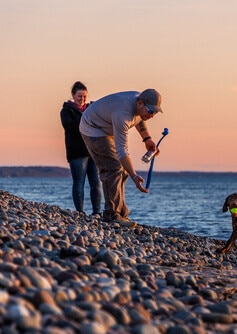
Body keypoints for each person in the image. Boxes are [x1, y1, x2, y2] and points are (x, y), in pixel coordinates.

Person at [79, 89, 163, 228]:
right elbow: (122, 152)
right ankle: (112, 215)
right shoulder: (122, 115)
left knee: (123, 170)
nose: (152, 115)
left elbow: (140, 119)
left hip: (106, 125)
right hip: (92, 128)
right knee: (113, 168)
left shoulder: (139, 103)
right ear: (140, 103)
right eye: (150, 111)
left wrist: (147, 139)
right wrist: (135, 176)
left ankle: (121, 212)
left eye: (155, 112)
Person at [60, 81, 102, 215]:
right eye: (79, 96)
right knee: (79, 182)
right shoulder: (66, 110)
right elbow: (69, 126)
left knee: (96, 182)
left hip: (93, 150)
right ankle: (80, 212)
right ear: (73, 95)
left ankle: (97, 212)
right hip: (77, 151)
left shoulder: (91, 109)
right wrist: (85, 116)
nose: (82, 99)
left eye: (84, 96)